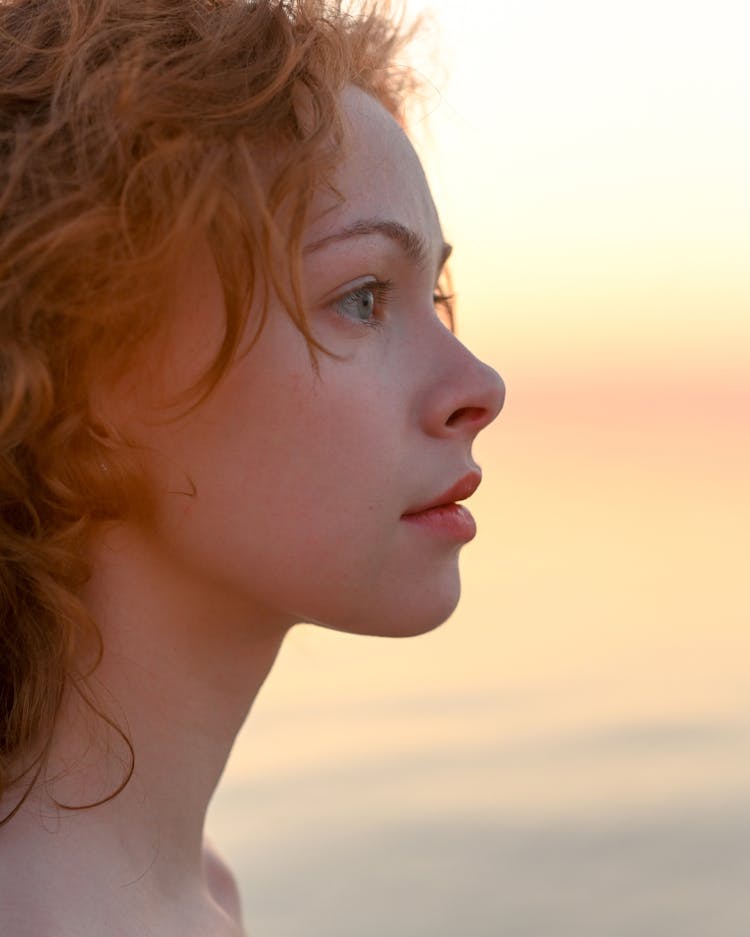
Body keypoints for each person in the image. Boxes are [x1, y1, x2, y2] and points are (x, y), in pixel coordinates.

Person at [0, 0, 505, 934]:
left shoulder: (194, 891)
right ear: (79, 359)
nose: (479, 386)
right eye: (361, 296)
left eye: (433, 292)